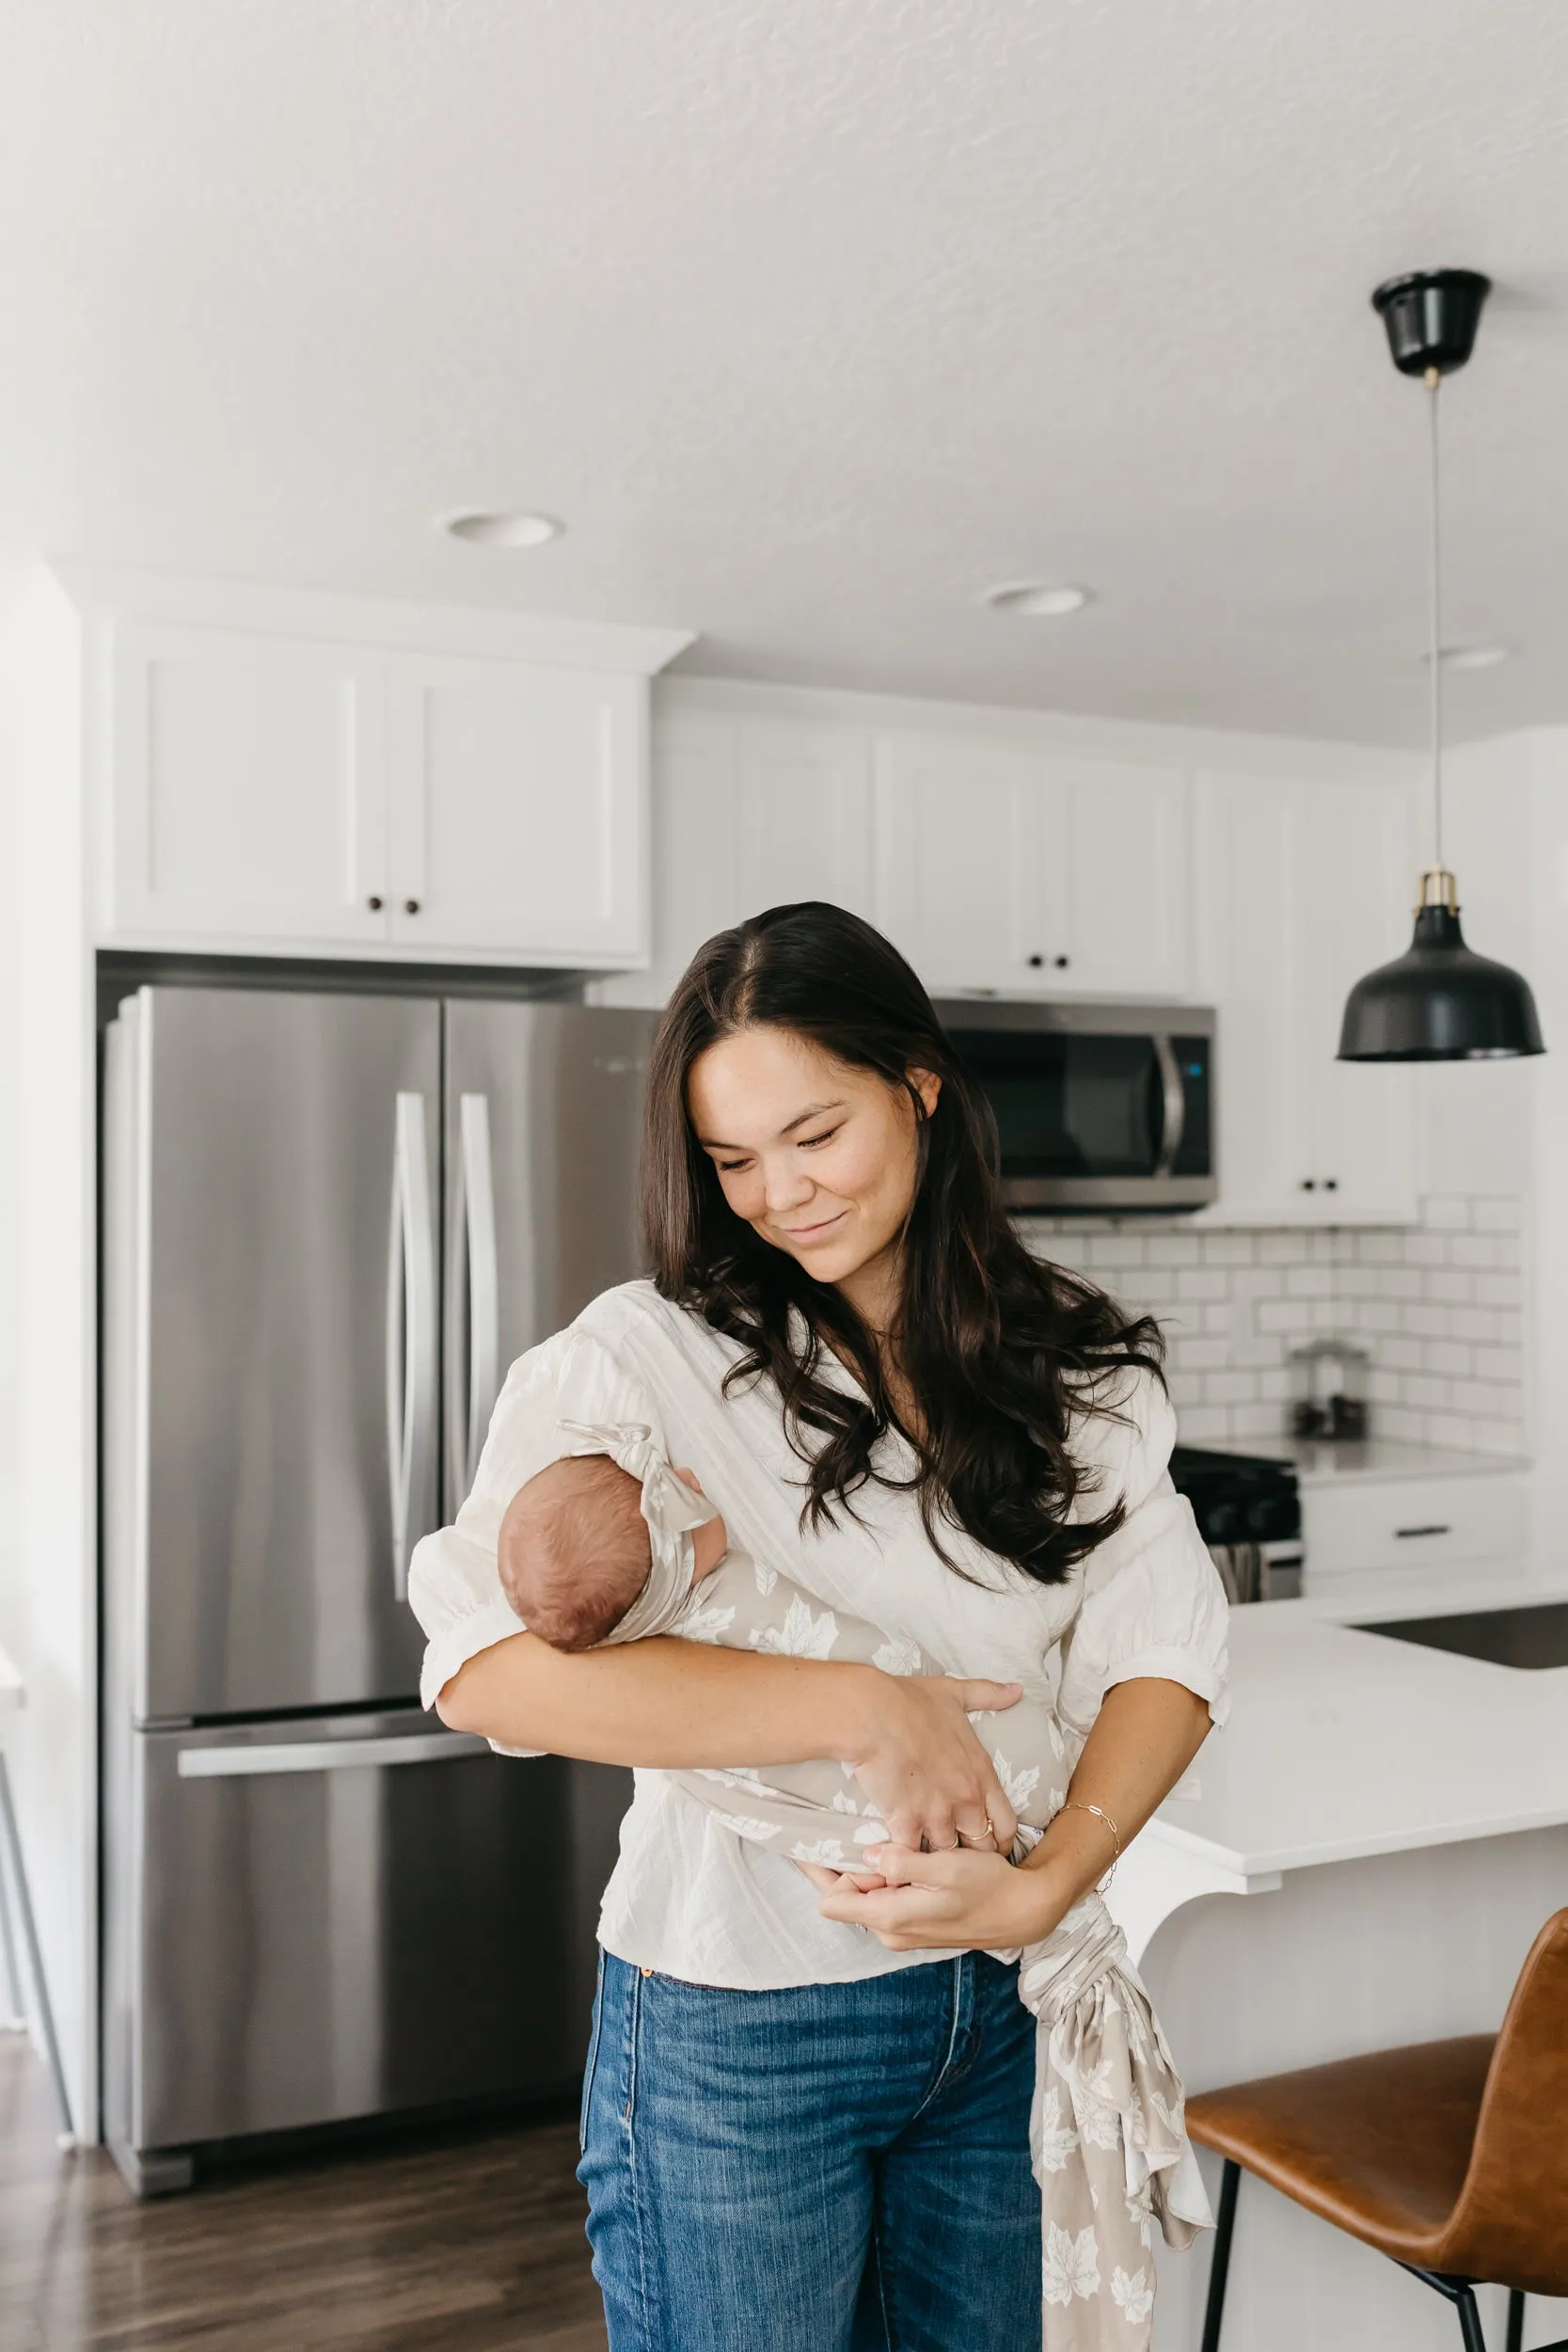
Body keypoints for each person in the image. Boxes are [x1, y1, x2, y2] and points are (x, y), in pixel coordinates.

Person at [409, 901, 1228, 2352]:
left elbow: (1159, 1657)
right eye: (732, 1159)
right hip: (745, 2028)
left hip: (1004, 2005)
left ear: (917, 1085)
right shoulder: (643, 1359)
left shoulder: (1075, 1362)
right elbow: (488, 1674)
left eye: (815, 1133)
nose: (779, 1194)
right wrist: (863, 1706)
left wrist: (1050, 1887)